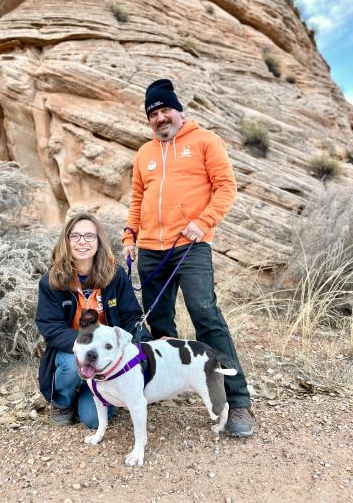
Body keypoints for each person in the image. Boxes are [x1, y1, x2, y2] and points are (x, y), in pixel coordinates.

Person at [122, 79, 253, 437]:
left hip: (192, 245)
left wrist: (204, 221)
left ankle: (237, 401)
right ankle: (168, 387)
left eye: (166, 110)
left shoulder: (205, 141)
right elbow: (137, 200)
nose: (161, 118)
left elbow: (226, 187)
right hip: (150, 248)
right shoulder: (144, 154)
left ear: (179, 111)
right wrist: (129, 237)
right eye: (154, 113)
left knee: (206, 317)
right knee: (161, 324)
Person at [36, 211, 152, 427]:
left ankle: (89, 392)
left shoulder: (115, 276)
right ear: (66, 241)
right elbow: (50, 327)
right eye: (75, 236)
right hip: (71, 351)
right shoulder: (50, 282)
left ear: (99, 241)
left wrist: (146, 344)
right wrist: (85, 345)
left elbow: (131, 316)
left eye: (89, 236)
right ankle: (62, 402)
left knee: (92, 420)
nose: (82, 242)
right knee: (73, 364)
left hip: (105, 357)